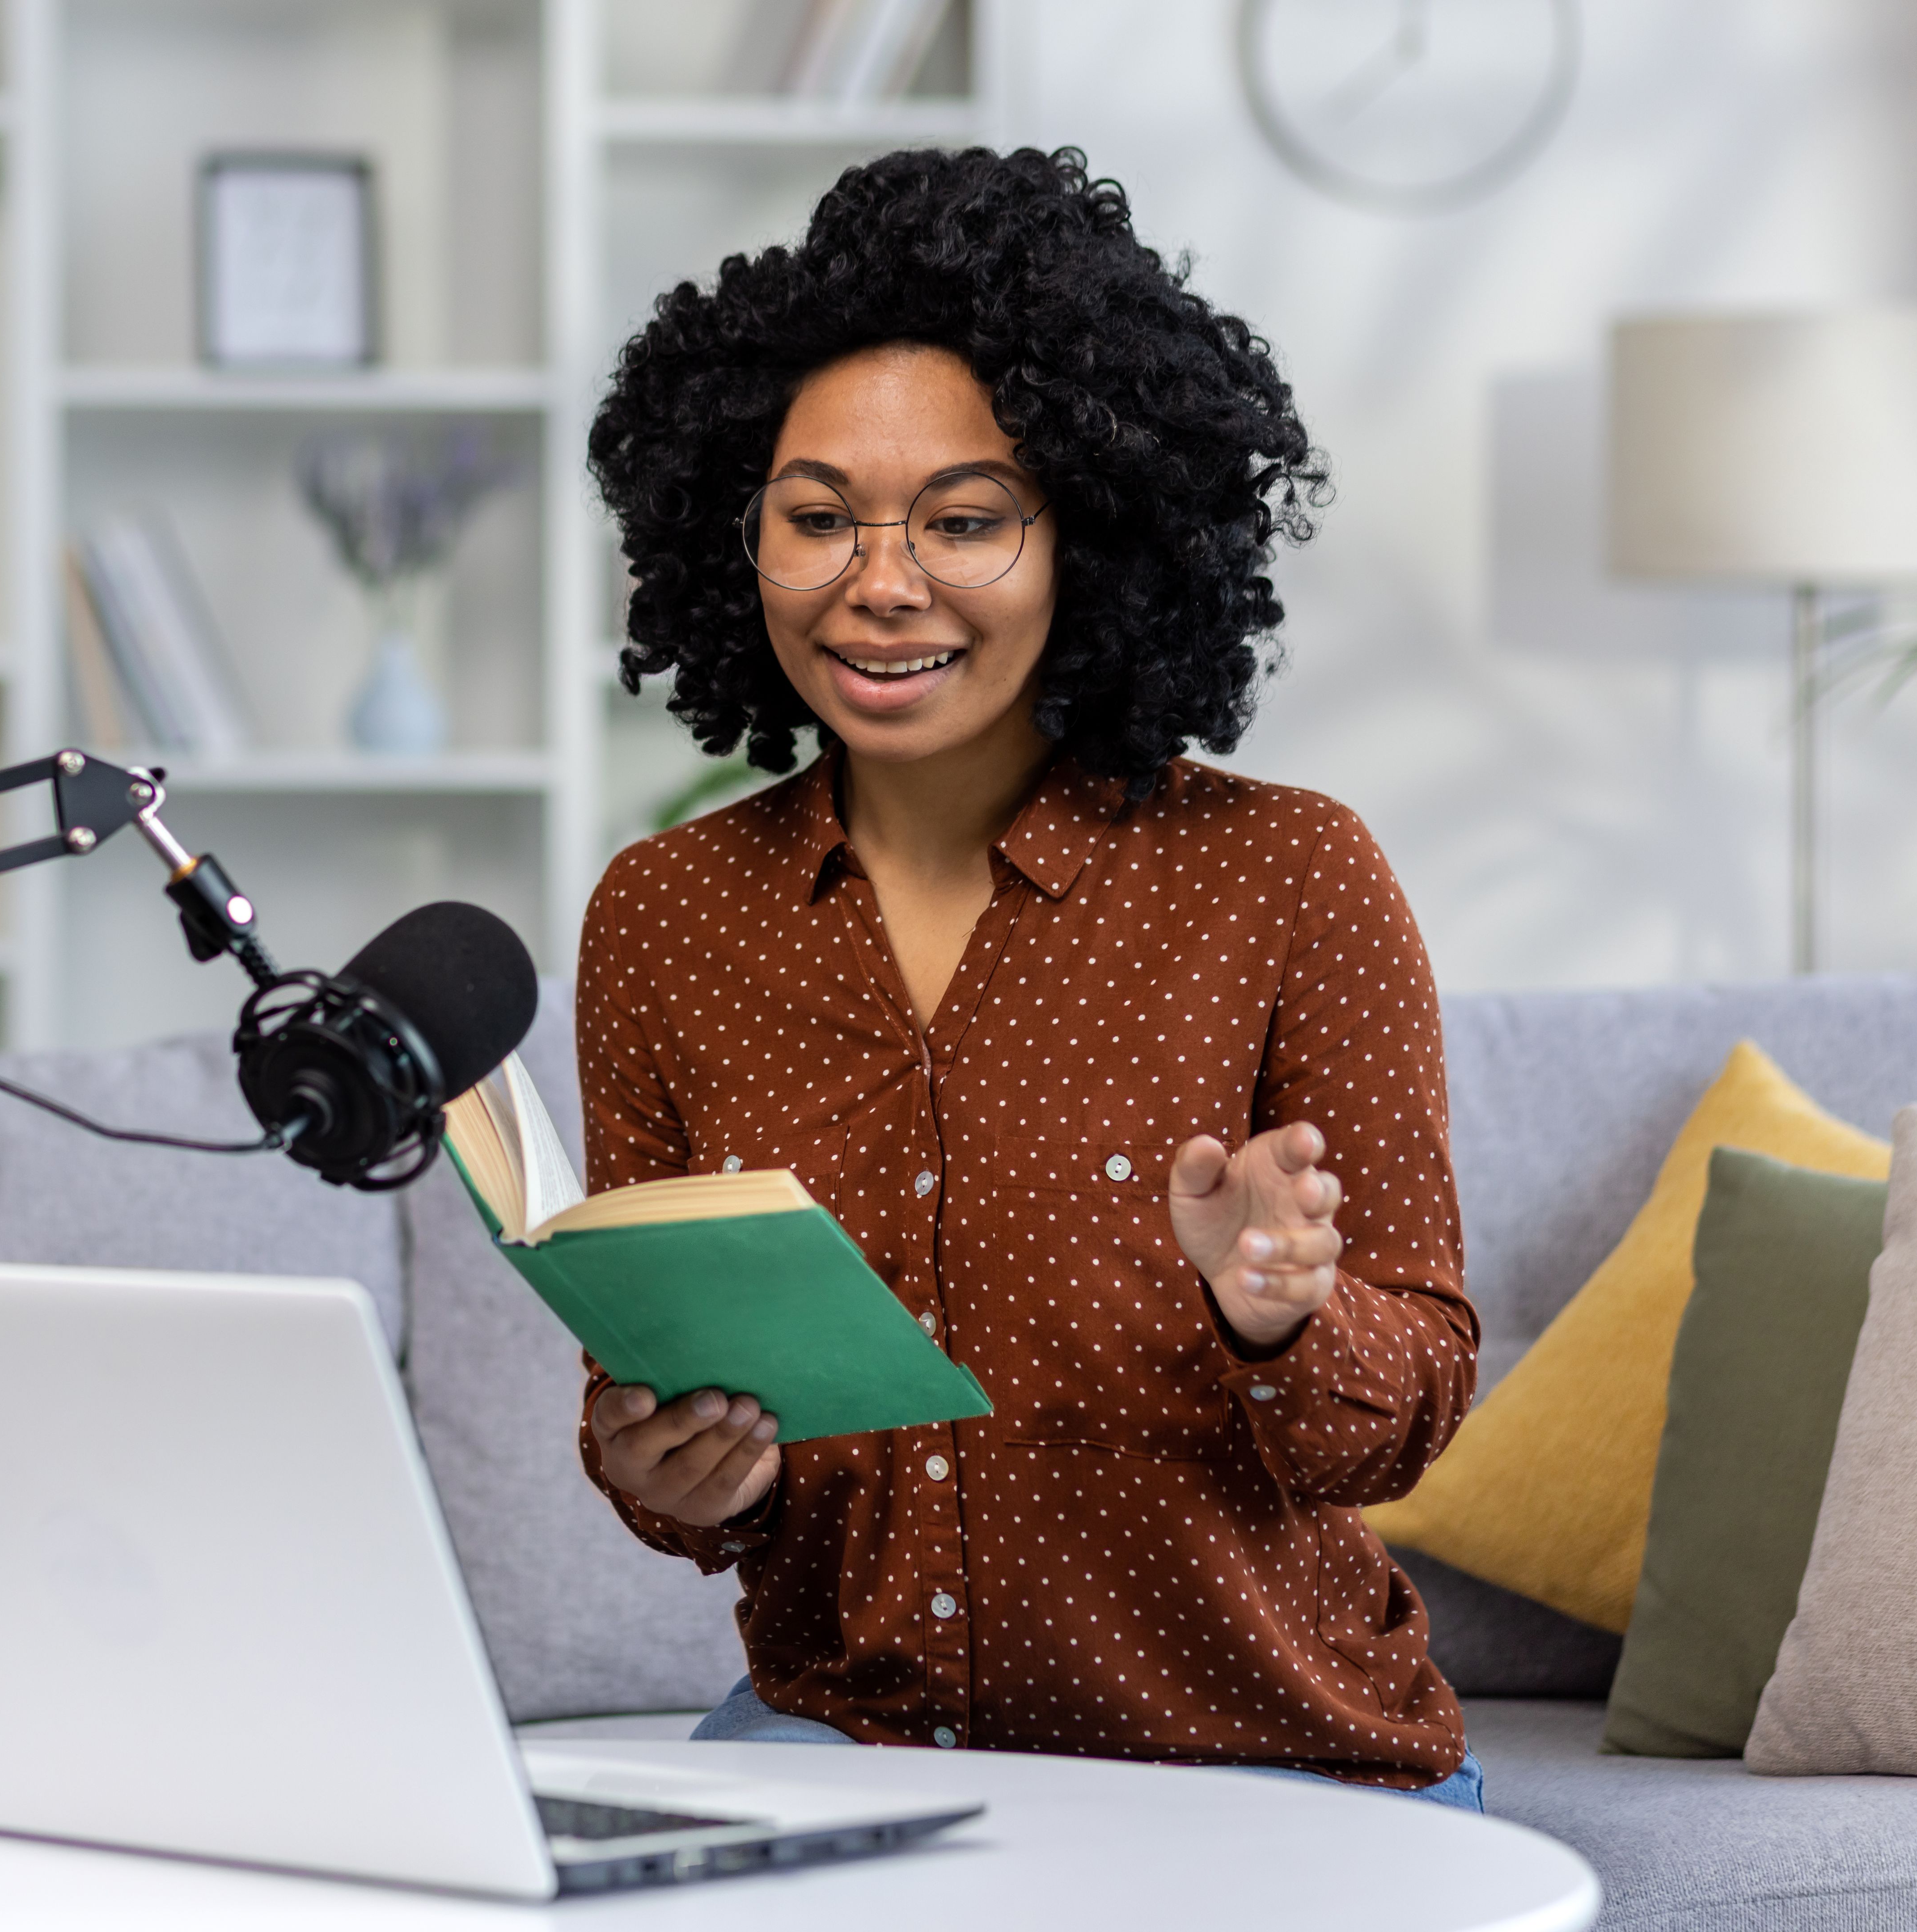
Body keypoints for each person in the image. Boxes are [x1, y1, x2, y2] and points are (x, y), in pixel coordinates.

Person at [575, 146, 1481, 1807]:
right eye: (817, 516)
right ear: (736, 535)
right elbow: (664, 1430)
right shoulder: (664, 916)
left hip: (1261, 1767)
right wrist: (672, 1472)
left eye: (966, 519)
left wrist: (1282, 1311)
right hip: (840, 1743)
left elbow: (1406, 1408)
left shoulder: (1287, 875)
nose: (881, 581)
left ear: (1095, 536)